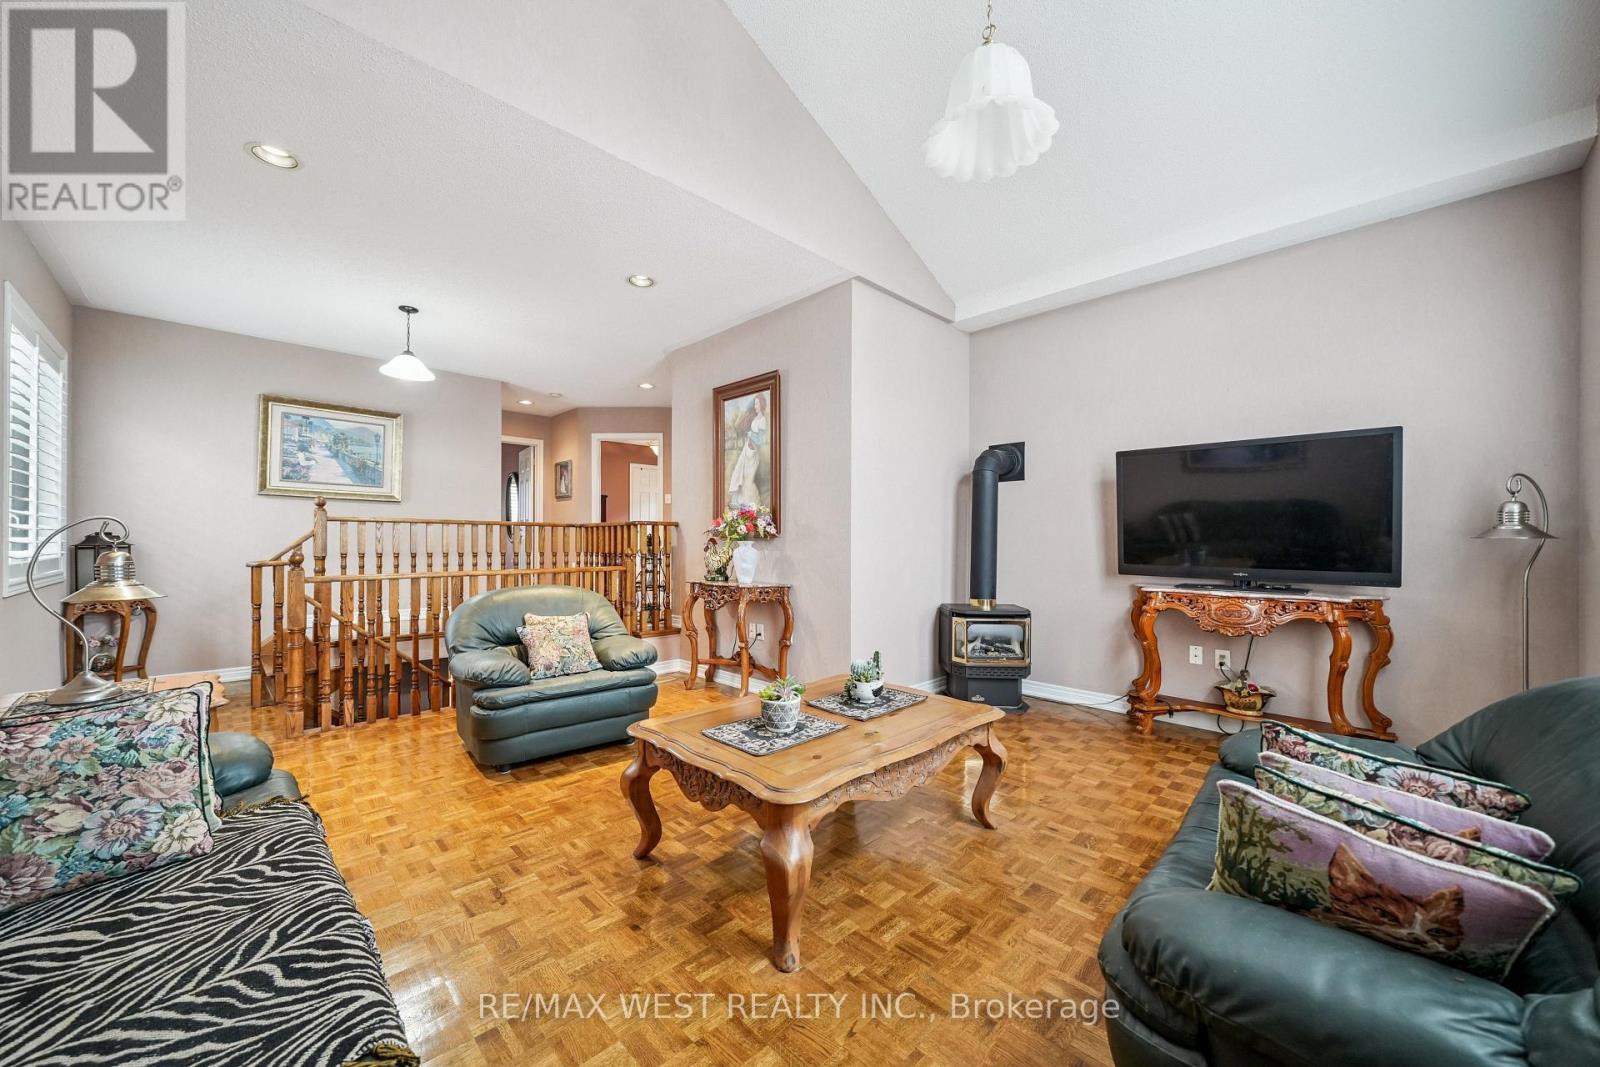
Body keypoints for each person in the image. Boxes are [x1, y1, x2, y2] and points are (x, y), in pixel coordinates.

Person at [726, 394, 767, 507]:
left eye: (757, 403)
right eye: (755, 403)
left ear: (762, 404)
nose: (755, 406)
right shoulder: (754, 418)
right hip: (746, 451)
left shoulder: (762, 420)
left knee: (749, 479)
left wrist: (751, 434)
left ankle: (752, 504)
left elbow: (760, 440)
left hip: (753, 454)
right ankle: (740, 502)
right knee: (741, 475)